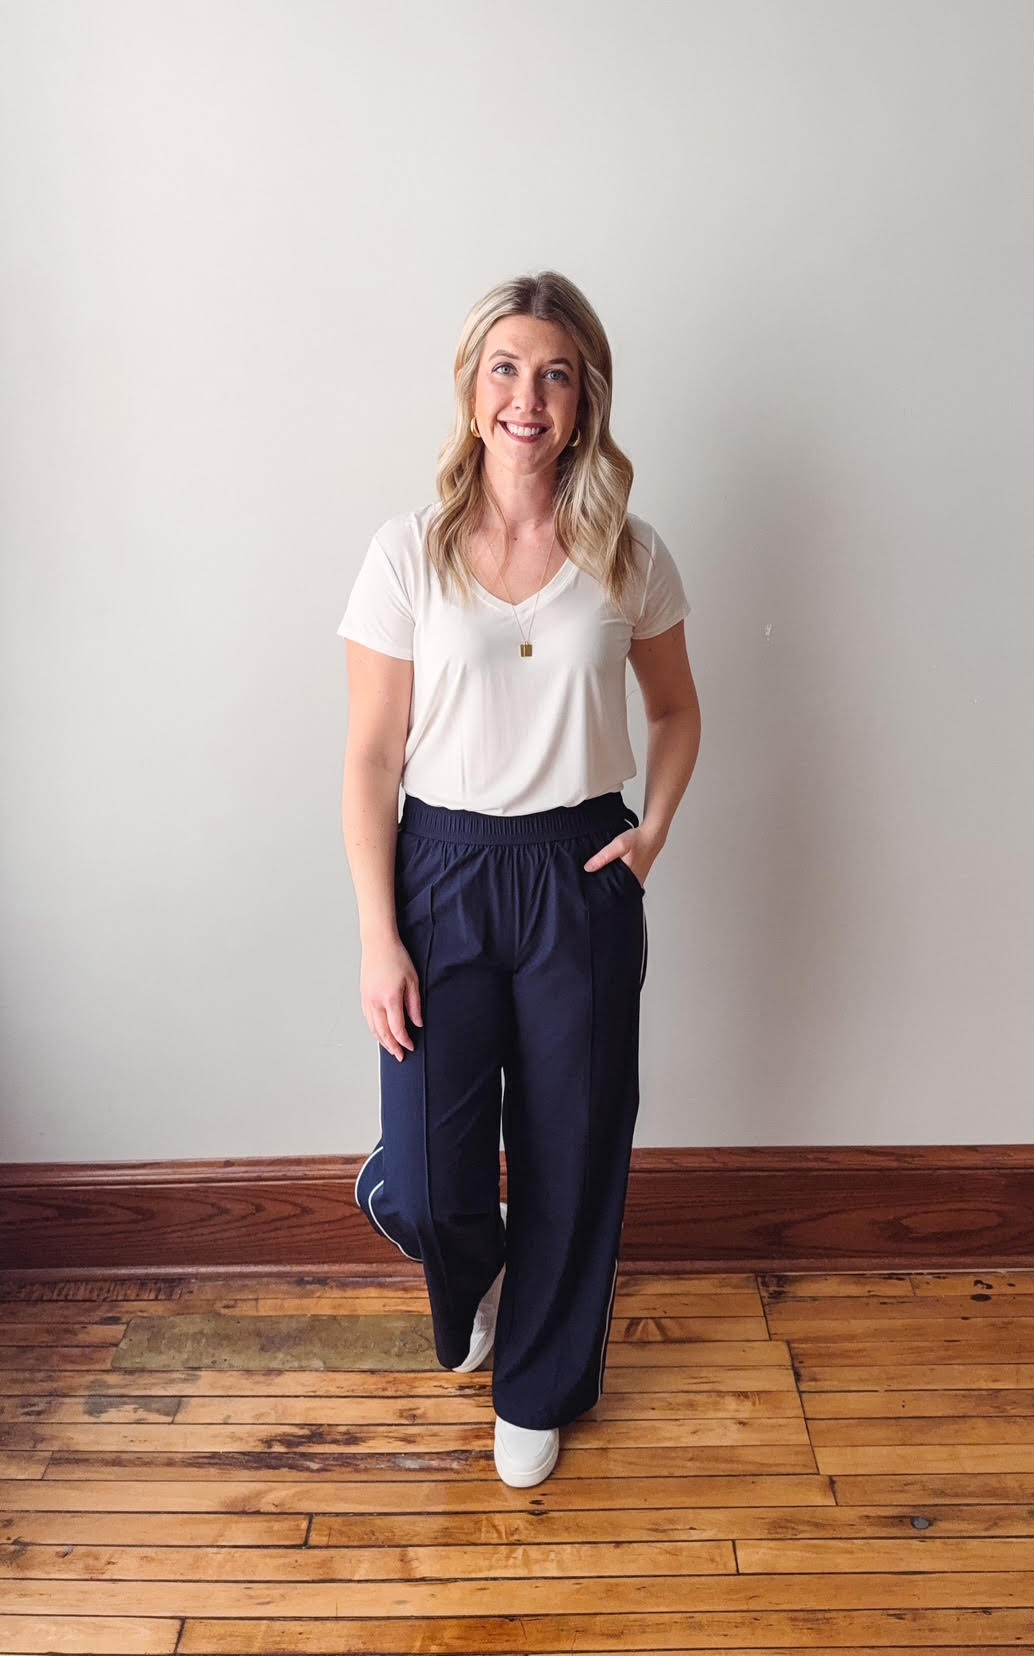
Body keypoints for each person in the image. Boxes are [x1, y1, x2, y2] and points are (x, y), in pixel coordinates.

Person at [337, 270, 701, 1488]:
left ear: (584, 395)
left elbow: (677, 712)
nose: (526, 397)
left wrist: (646, 835)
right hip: (438, 868)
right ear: (471, 388)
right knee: (438, 1184)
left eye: (553, 373)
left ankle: (537, 1387)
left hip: (575, 870)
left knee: (573, 1146)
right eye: (505, 368)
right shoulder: (406, 553)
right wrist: (377, 936)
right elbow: (370, 757)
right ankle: (468, 1260)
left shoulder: (627, 553)